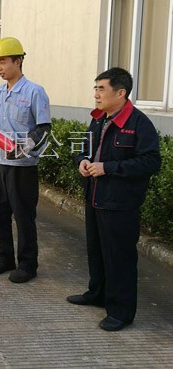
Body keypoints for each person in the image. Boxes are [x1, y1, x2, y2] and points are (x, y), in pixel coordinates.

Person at [67, 67, 160, 331]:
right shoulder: (98, 119)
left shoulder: (139, 124)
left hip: (120, 205)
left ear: (121, 93)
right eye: (95, 88)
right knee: (96, 251)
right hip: (95, 198)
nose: (96, 94)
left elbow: (151, 162)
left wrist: (108, 168)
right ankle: (97, 293)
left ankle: (121, 313)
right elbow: (83, 148)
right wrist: (82, 160)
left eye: (101, 89)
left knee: (120, 258)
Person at [0, 37, 51, 283]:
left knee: (23, 216)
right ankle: (5, 258)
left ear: (18, 61)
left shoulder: (34, 92)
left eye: (3, 61)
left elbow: (44, 129)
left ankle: (28, 265)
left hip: (21, 167)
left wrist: (27, 144)